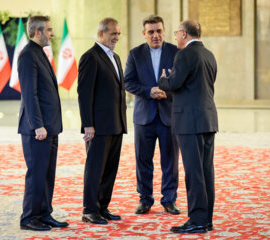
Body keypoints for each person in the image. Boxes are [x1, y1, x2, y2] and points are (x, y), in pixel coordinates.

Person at [159, 20, 218, 234]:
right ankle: (206, 219)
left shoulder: (184, 54)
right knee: (205, 171)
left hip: (189, 122)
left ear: (184, 33)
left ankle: (197, 220)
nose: (175, 37)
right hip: (208, 120)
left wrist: (164, 79)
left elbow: (174, 84)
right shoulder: (209, 55)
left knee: (194, 173)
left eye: (176, 33)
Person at [124, 15, 180, 215]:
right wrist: (149, 91)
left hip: (168, 116)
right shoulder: (135, 54)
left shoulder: (176, 52)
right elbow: (128, 82)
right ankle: (145, 199)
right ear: (144, 34)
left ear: (164, 31)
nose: (155, 35)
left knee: (170, 161)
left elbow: (183, 81)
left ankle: (169, 200)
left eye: (159, 31)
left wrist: (169, 91)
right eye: (151, 32)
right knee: (143, 160)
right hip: (144, 116)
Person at [18, 16, 68, 231]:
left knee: (47, 174)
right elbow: (30, 94)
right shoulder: (28, 55)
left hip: (49, 127)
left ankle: (44, 213)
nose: (52, 33)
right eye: (48, 30)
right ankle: (29, 218)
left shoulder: (39, 53)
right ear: (37, 32)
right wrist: (37, 125)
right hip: (37, 128)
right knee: (36, 174)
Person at [77, 17, 127, 225]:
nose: (116, 37)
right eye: (112, 33)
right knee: (95, 168)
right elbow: (84, 93)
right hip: (97, 126)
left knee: (109, 169)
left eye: (118, 34)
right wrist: (88, 124)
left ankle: (102, 207)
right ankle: (90, 210)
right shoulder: (91, 57)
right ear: (101, 34)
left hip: (116, 124)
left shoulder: (115, 57)